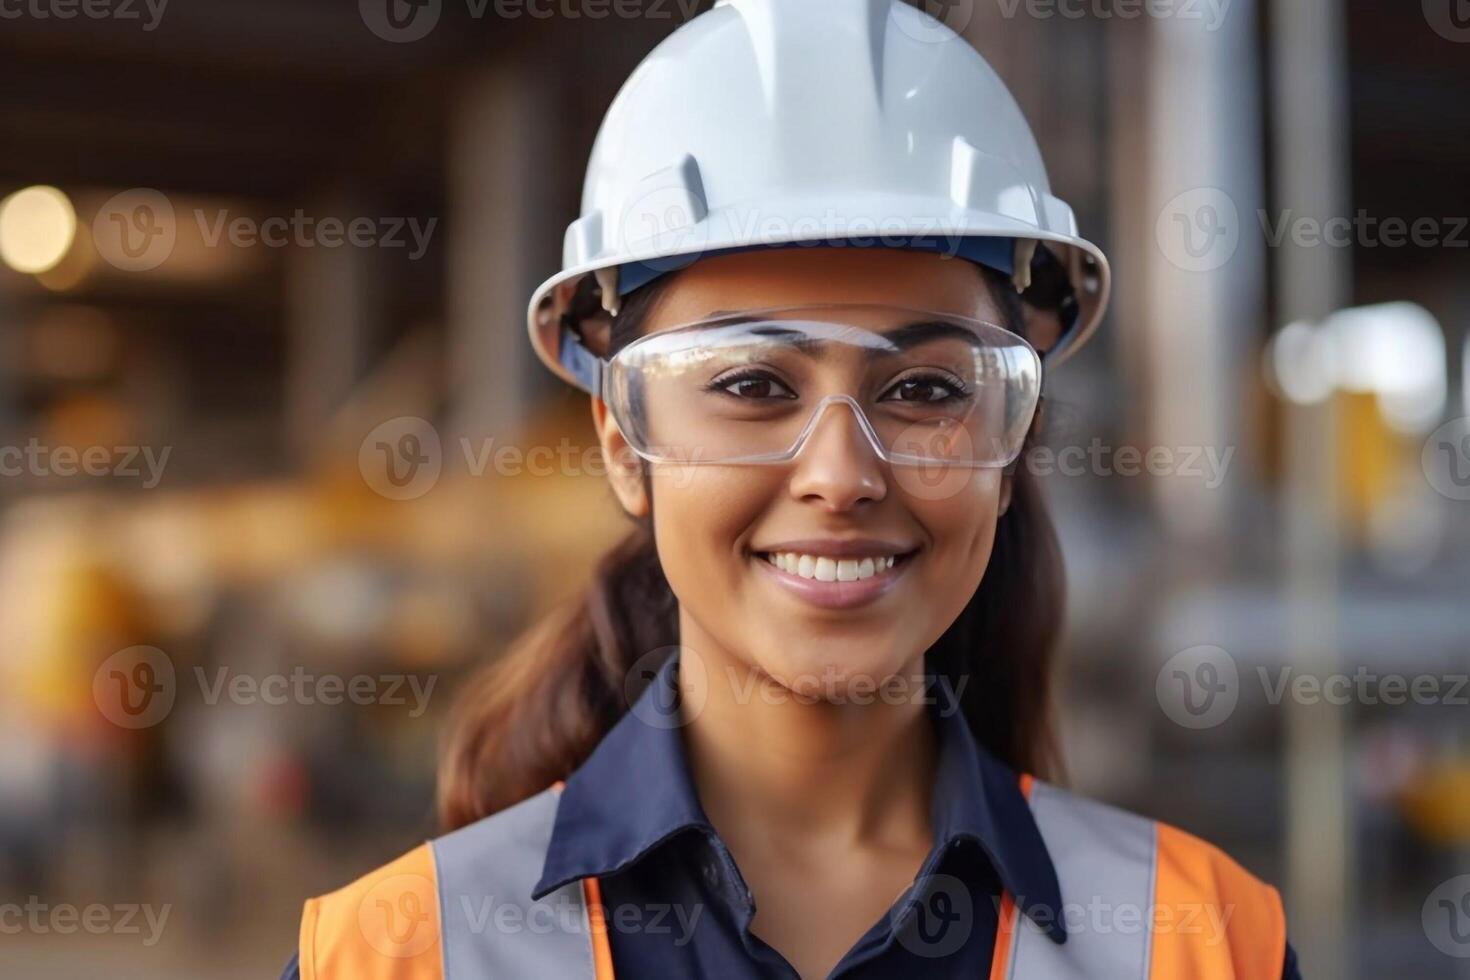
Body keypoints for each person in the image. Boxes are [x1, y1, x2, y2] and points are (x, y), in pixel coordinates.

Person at [284, 0, 1301, 976]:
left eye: (925, 388)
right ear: (623, 445)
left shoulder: (1201, 943)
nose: (841, 475)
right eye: (750, 385)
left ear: (1009, 444)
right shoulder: (394, 955)